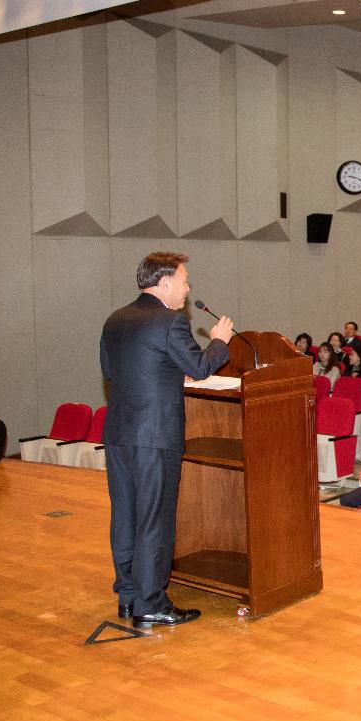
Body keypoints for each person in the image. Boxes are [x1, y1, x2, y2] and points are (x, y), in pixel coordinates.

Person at [100, 251, 232, 629]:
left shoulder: (116, 320)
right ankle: (152, 602)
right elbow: (201, 367)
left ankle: (128, 596)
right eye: (185, 280)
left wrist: (167, 375)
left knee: (125, 516)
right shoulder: (170, 322)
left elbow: (114, 372)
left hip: (120, 434)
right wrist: (219, 341)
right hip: (155, 438)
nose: (188, 290)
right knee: (154, 520)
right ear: (165, 283)